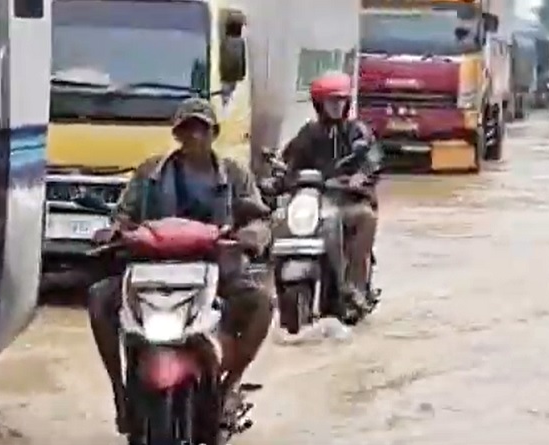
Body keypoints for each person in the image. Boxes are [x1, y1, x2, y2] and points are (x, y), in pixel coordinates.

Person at [87, 98, 272, 435]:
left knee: (262, 303)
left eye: (201, 129)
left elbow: (259, 218)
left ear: (214, 133)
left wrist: (252, 236)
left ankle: (229, 385)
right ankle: (120, 391)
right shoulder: (150, 174)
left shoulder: (234, 175)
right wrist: (113, 231)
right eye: (187, 129)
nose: (194, 136)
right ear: (176, 134)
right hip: (151, 273)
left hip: (215, 271)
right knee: (99, 297)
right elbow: (124, 216)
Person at [280, 71, 382, 315]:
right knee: (279, 221)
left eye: (341, 100)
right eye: (331, 101)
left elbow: (373, 158)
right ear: (319, 103)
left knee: (366, 217)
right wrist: (279, 178)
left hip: (349, 201)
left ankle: (355, 286)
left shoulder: (357, 131)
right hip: (315, 203)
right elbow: (289, 162)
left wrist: (360, 177)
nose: (336, 106)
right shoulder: (308, 134)